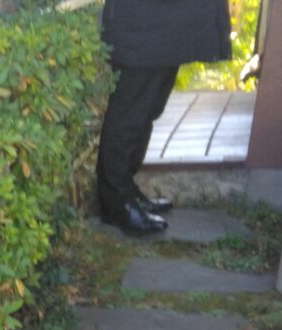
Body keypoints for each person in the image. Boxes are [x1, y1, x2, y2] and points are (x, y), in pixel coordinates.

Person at [97, 0, 232, 234]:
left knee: (147, 110)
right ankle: (116, 202)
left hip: (166, 22)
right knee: (129, 113)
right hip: (141, 23)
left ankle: (125, 191)